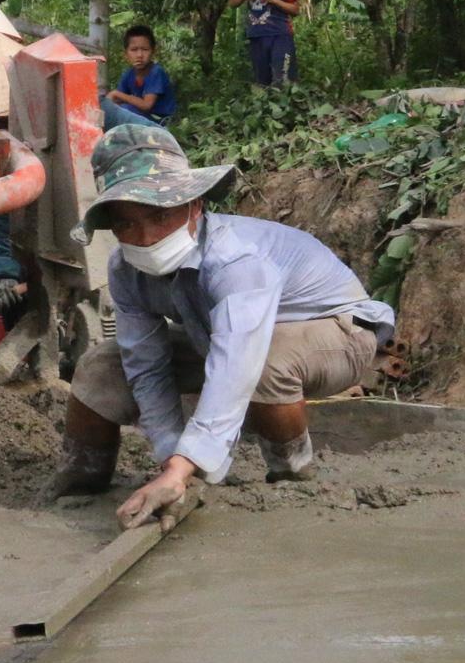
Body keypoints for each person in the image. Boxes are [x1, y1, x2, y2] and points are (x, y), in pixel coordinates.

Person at [50, 125, 395, 525]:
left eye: (159, 215)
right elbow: (146, 364)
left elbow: (237, 364)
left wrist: (185, 468)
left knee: (268, 361)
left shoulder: (235, 260)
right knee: (100, 367)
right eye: (126, 224)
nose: (144, 238)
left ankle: (292, 473)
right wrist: (170, 458)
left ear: (194, 205)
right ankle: (80, 485)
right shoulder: (126, 269)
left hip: (337, 331)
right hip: (221, 339)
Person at [101, 24, 176, 129]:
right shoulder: (128, 74)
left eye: (145, 49)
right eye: (134, 50)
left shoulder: (156, 72)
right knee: (113, 109)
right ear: (126, 54)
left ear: (153, 52)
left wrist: (116, 93)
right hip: (141, 117)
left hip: (159, 122)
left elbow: (146, 105)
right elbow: (116, 100)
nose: (139, 55)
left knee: (125, 108)